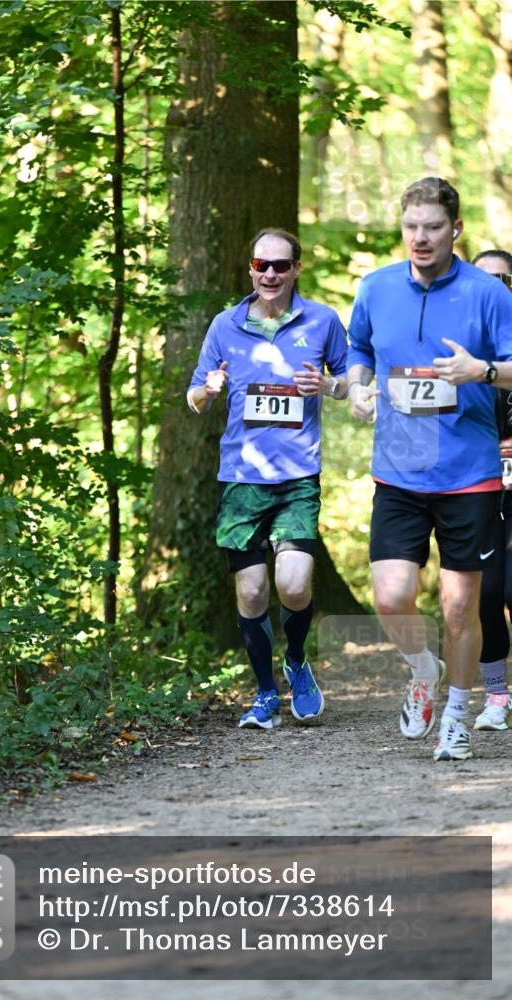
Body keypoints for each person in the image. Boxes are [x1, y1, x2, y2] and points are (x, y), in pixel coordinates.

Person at [347, 177, 512, 762]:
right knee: (392, 598)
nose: (421, 238)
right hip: (398, 471)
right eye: (412, 226)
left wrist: (483, 372)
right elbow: (358, 351)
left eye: (433, 227)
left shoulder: (488, 293)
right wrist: (360, 389)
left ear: (456, 230)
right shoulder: (376, 287)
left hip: (469, 473)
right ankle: (424, 668)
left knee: (460, 607)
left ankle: (459, 715)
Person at [187, 228, 348, 729]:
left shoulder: (322, 320)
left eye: (281, 265)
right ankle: (264, 693)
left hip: (298, 476)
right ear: (250, 269)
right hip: (241, 479)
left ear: (297, 268)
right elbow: (193, 398)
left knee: (295, 588)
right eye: (262, 265)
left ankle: (296, 660)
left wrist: (327, 384)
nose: (271, 274)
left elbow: (352, 385)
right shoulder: (224, 325)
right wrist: (208, 390)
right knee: (253, 594)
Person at [472, 249, 512, 730]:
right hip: (475, 488)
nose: (496, 287)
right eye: (487, 280)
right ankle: (497, 695)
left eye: (505, 278)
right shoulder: (458, 349)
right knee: (485, 594)